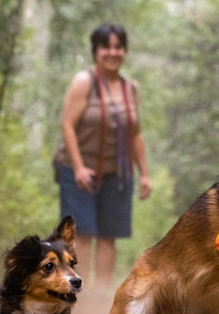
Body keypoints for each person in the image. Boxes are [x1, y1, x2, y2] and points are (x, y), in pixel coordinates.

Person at [55, 24, 151, 293]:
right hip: (78, 171)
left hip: (117, 173)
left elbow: (135, 134)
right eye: (106, 47)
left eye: (118, 46)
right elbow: (67, 126)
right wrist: (78, 168)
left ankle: (102, 295)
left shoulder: (130, 88)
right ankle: (78, 292)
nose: (112, 52)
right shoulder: (84, 82)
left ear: (125, 51)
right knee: (82, 233)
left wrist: (144, 173)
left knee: (109, 235)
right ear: (96, 51)